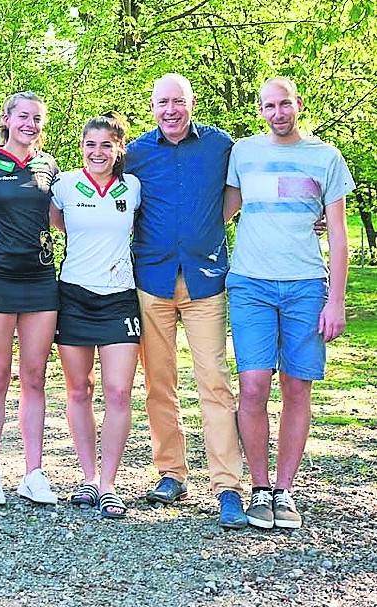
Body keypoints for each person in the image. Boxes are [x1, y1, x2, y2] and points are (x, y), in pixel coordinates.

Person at [224, 77, 353, 531]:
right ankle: (258, 489)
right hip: (250, 285)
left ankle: (285, 491)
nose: (277, 112)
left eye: (284, 104)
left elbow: (338, 234)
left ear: (298, 105)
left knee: (298, 388)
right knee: (255, 386)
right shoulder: (243, 153)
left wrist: (335, 300)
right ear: (260, 110)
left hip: (305, 286)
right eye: (269, 106)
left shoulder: (326, 157)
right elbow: (220, 211)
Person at [125, 73, 247, 529]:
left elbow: (241, 186)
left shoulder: (220, 146)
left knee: (214, 382)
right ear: (152, 107)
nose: (170, 109)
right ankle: (172, 472)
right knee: (159, 382)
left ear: (191, 104)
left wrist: (210, 227)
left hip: (205, 280)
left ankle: (227, 484)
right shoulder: (135, 153)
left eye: (178, 101)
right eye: (162, 102)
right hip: (152, 280)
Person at [50, 113, 142, 519]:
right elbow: (57, 222)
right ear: (81, 147)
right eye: (90, 144)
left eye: (106, 145)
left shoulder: (133, 187)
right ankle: (88, 478)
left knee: (119, 391)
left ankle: (109, 484)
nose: (97, 152)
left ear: (119, 148)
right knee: (78, 390)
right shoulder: (65, 186)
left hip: (120, 297)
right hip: (74, 295)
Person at [0, 92, 60, 506]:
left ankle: (33, 472)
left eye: (37, 118)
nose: (30, 123)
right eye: (22, 116)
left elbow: (60, 217)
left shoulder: (49, 166)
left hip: (42, 280)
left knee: (35, 376)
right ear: (6, 119)